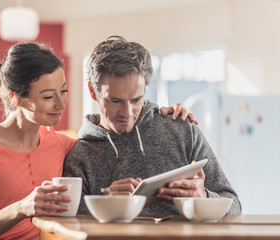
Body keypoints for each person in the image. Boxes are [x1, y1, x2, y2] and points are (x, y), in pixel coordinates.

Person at [0, 42, 193, 240]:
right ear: (16, 98)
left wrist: (163, 114)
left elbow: (83, 203)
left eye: (63, 91)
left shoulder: (65, 145)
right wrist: (21, 208)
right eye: (48, 96)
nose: (61, 103)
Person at [62, 36, 242, 216]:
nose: (127, 112)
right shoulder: (79, 155)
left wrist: (204, 197)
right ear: (93, 91)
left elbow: (234, 206)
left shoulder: (181, 130)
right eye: (115, 101)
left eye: (136, 100)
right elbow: (68, 220)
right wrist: (105, 203)